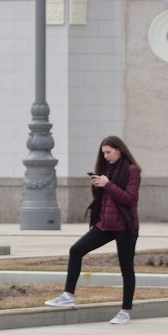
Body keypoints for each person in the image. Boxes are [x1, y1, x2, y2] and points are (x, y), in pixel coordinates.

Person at [44, 135, 142, 324]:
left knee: (126, 268)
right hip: (105, 224)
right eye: (103, 153)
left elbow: (129, 199)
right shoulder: (106, 169)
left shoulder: (132, 170)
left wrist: (108, 184)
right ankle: (68, 296)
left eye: (109, 152)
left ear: (119, 150)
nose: (105, 156)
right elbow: (104, 198)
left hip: (125, 226)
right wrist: (98, 186)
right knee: (76, 250)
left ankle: (125, 312)